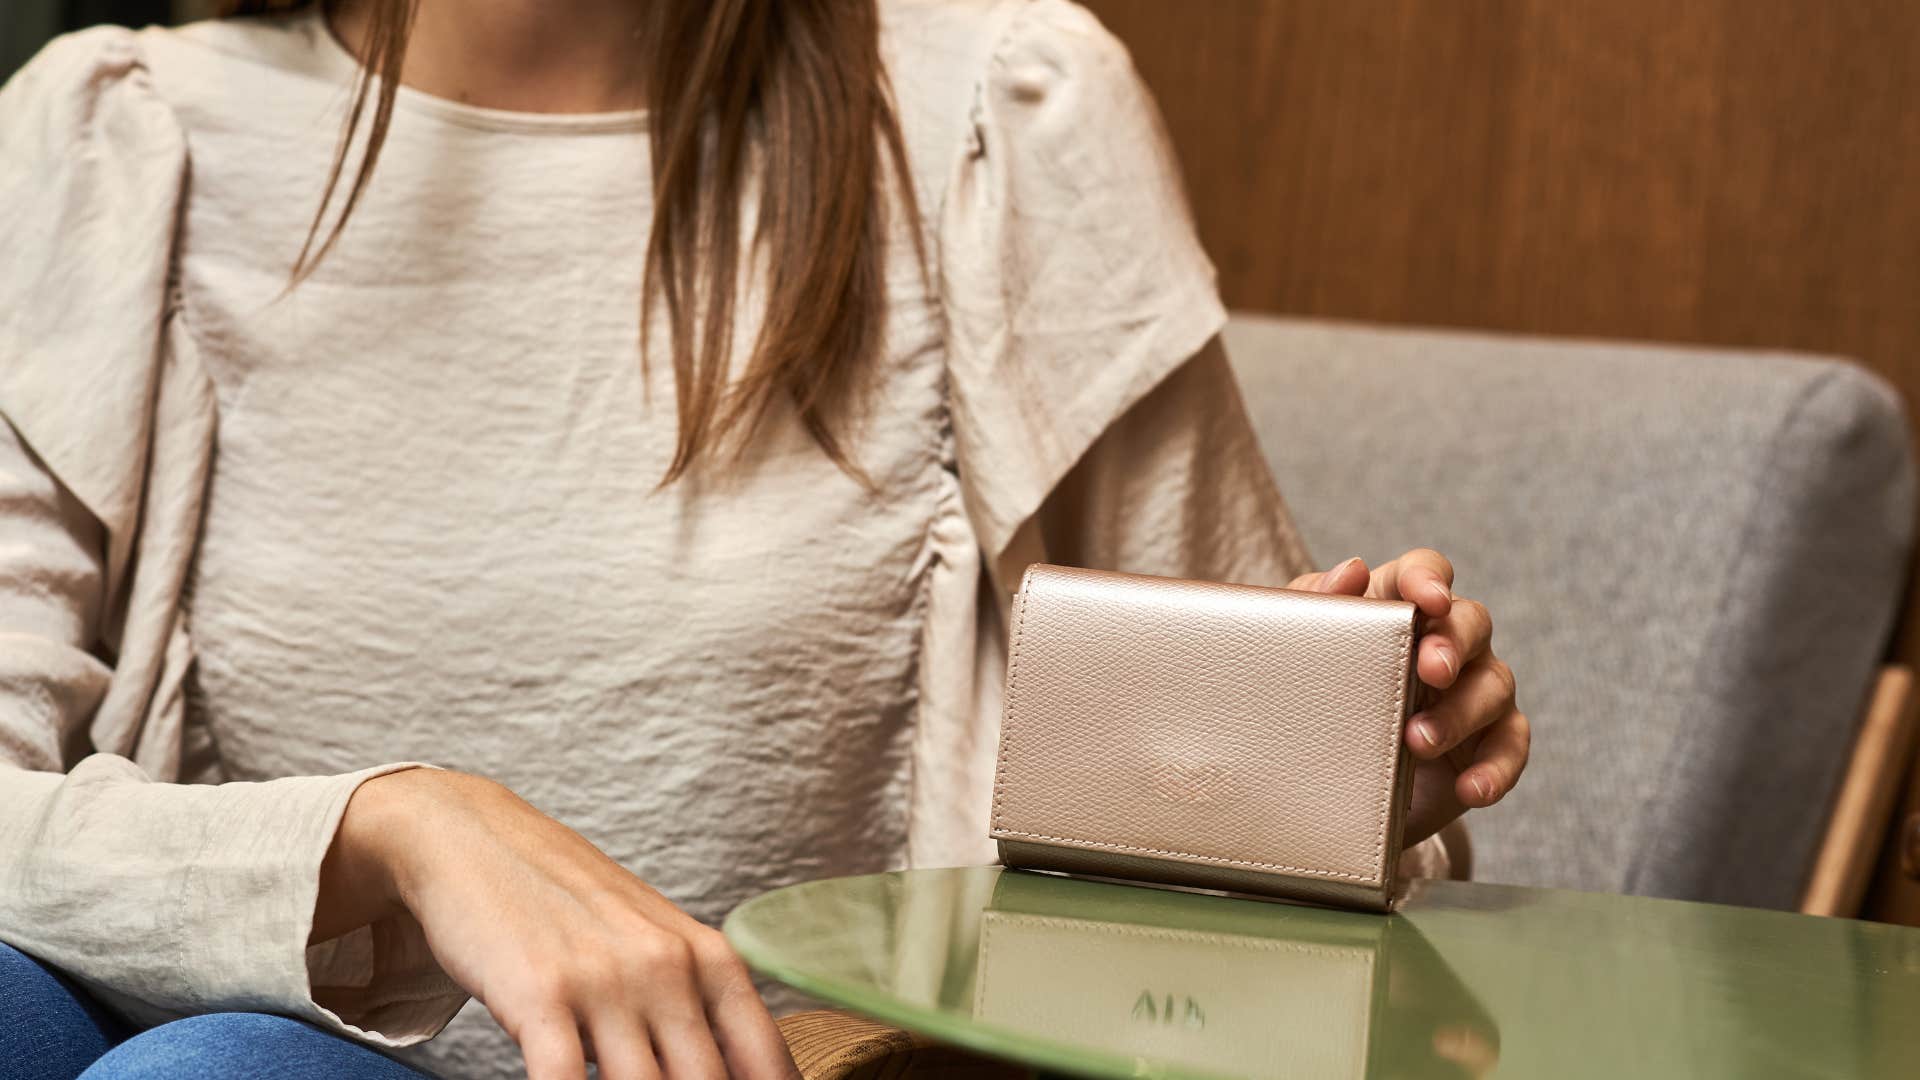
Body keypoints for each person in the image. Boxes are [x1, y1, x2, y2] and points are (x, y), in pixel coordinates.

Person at [0, 0, 1530, 1077]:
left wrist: (1355, 767)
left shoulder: (998, 121)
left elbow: (1227, 811)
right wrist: (406, 829)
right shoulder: (112, 136)